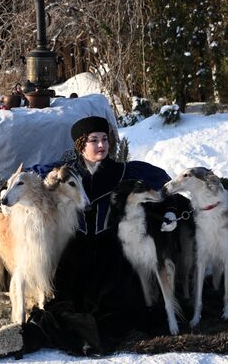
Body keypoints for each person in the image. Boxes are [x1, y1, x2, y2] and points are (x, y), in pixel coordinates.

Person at [25, 116, 171, 356]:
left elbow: (162, 181)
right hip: (76, 250)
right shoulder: (67, 173)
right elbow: (32, 176)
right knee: (65, 303)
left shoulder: (123, 171)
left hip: (111, 250)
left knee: (119, 304)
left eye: (104, 139)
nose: (101, 145)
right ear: (80, 145)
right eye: (94, 140)